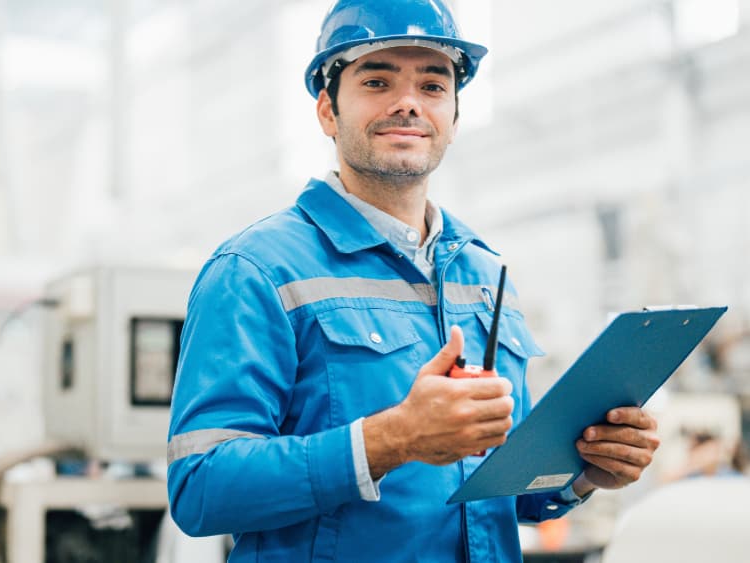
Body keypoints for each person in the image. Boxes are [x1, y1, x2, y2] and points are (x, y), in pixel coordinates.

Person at [165, 1, 661, 561]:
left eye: (431, 85)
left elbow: (498, 492)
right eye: (377, 81)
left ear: (453, 116)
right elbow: (200, 488)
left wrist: (585, 472)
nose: (407, 103)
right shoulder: (256, 270)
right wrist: (393, 438)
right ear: (328, 111)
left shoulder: (484, 272)